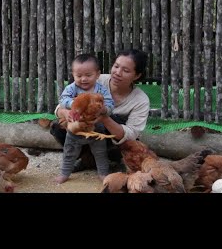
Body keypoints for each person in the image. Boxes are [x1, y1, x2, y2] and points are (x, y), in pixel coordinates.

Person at [50, 49, 150, 174]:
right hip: (86, 130)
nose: (117, 73)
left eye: (126, 70)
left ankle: (110, 159)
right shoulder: (94, 78)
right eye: (116, 66)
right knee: (57, 126)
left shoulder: (141, 100)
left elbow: (131, 135)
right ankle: (87, 158)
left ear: (137, 75)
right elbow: (61, 106)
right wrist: (65, 113)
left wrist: (104, 118)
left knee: (115, 119)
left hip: (112, 142)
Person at [55, 53, 114, 184]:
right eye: (79, 76)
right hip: (75, 127)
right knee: (69, 151)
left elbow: (110, 104)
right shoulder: (71, 88)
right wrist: (73, 105)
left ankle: (103, 173)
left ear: (97, 74)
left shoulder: (101, 89)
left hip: (96, 126)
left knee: (100, 152)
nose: (83, 79)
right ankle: (65, 173)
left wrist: (104, 110)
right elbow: (63, 99)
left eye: (88, 75)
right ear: (73, 75)